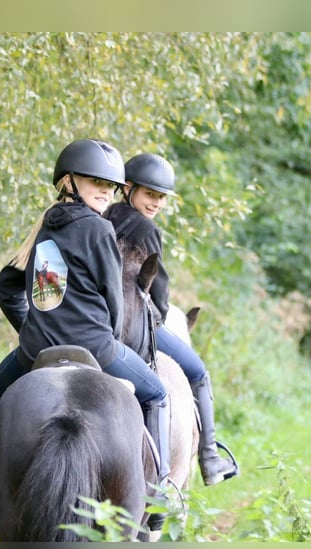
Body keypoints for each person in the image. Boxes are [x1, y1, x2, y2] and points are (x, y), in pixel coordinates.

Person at [0, 139, 172, 532]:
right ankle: (158, 494)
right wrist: (107, 338)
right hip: (96, 346)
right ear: (68, 180)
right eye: (95, 181)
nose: (104, 190)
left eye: (110, 186)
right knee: (158, 395)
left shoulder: (44, 224)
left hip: (35, 350)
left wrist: (31, 327)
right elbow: (114, 299)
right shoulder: (99, 228)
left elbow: (6, 284)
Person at [103, 152, 239, 487]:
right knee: (198, 373)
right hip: (134, 324)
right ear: (128, 188)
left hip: (98, 318)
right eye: (150, 194)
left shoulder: (101, 216)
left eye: (161, 197)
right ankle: (209, 457)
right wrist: (159, 315)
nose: (156, 203)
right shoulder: (146, 229)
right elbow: (159, 296)